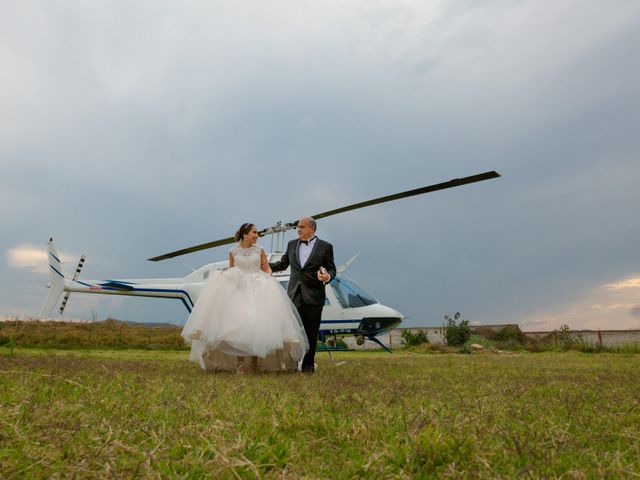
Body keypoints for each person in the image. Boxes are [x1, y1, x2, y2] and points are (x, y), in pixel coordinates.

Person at [181, 223, 309, 373]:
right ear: (245, 234)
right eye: (254, 232)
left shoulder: (260, 250)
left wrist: (268, 275)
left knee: (258, 325)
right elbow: (232, 269)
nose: (257, 235)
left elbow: (265, 266)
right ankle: (240, 363)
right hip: (240, 289)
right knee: (239, 327)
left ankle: (255, 362)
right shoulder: (233, 251)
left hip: (258, 287)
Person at [270, 216, 336, 373]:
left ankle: (308, 367)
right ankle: (292, 364)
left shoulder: (326, 247)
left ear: (311, 229)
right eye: (298, 227)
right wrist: (263, 265)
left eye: (302, 226)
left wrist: (327, 277)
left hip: (314, 295)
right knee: (292, 332)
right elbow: (282, 264)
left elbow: (332, 269)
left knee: (311, 332)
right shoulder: (291, 245)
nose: (298, 229)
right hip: (294, 295)